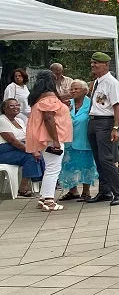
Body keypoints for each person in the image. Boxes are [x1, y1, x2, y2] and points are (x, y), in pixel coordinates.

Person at [25, 70, 72, 211]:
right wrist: (55, 140)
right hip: (51, 138)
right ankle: (49, 201)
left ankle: (43, 198)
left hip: (44, 137)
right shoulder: (49, 97)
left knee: (50, 168)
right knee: (53, 168)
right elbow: (48, 118)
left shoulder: (39, 97)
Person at [86, 52, 119, 206]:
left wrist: (115, 127)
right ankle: (105, 191)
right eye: (92, 62)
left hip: (105, 122)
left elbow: (117, 106)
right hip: (94, 121)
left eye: (96, 63)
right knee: (99, 160)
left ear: (106, 65)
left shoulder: (111, 82)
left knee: (106, 159)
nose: (93, 65)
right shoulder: (97, 82)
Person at [58, 80, 99, 202]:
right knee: (68, 166)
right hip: (68, 140)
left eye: (76, 89)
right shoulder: (66, 103)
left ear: (85, 91)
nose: (73, 91)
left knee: (86, 166)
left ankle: (86, 192)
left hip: (84, 140)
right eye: (71, 89)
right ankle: (72, 191)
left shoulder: (91, 104)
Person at [0, 97, 43, 197]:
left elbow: (28, 136)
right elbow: (12, 141)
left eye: (17, 105)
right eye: (11, 105)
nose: (16, 107)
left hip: (17, 148)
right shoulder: (2, 120)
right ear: (4, 109)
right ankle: (23, 188)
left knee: (39, 153)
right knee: (31, 156)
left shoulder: (19, 120)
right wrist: (31, 150)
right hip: (4, 150)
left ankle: (41, 182)